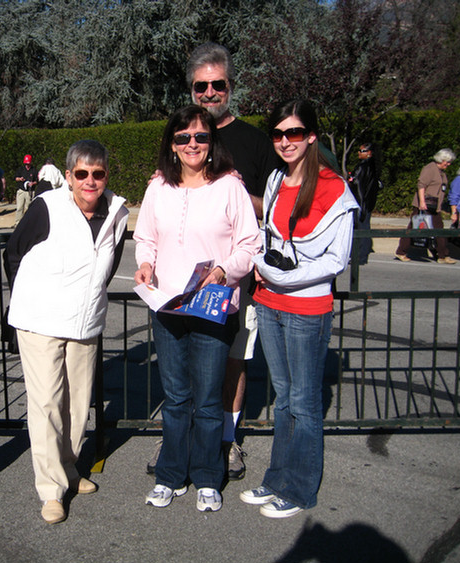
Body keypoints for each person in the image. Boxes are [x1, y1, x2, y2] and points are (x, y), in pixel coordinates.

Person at [148, 42, 281, 480]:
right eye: (201, 86)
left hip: (233, 285)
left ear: (229, 86)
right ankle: (181, 448)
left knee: (233, 363)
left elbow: (273, 208)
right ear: (191, 88)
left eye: (217, 84)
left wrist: (237, 192)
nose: (209, 92)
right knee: (183, 374)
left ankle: (226, 443)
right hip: (180, 295)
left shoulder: (255, 142)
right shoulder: (183, 133)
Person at [134, 105, 260, 513]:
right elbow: (145, 237)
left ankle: (207, 476)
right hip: (168, 306)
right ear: (171, 144)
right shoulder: (158, 188)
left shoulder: (230, 187)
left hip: (211, 307)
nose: (192, 144)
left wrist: (225, 268)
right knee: (175, 397)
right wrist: (146, 262)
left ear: (212, 143)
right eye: (183, 137)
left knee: (207, 399)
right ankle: (171, 475)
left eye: (200, 137)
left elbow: (249, 244)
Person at [240, 99, 358, 519]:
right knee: (284, 396)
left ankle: (300, 489)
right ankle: (276, 479)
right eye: (278, 134)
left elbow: (336, 260)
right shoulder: (275, 180)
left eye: (294, 133)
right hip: (269, 303)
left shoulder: (334, 188)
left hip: (307, 307)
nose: (285, 142)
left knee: (306, 403)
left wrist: (286, 278)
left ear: (310, 136)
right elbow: (267, 237)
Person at [5, 140, 129, 524]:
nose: (90, 181)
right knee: (46, 404)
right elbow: (14, 253)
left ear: (106, 175)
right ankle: (50, 489)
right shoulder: (47, 206)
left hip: (85, 321)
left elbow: (109, 265)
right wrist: (31, 296)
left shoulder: (117, 212)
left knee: (77, 403)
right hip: (41, 321)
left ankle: (70, 470)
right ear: (69, 175)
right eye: (81, 174)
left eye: (98, 173)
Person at [395, 149, 457, 264]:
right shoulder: (430, 169)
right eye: (447, 162)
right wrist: (422, 202)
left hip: (435, 207)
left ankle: (443, 255)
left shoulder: (441, 172)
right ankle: (401, 251)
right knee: (413, 228)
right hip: (425, 205)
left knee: (439, 229)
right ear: (442, 160)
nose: (448, 164)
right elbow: (421, 185)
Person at [348, 142, 382, 264]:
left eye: (362, 151)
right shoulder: (372, 166)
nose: (359, 153)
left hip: (361, 203)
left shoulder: (363, 167)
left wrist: (360, 205)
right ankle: (361, 254)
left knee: (360, 229)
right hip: (367, 203)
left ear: (369, 153)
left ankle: (360, 256)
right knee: (364, 227)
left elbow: (359, 188)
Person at [14, 154, 37, 227]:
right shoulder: (21, 169)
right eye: (26, 163)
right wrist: (20, 179)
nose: (27, 165)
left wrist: (33, 183)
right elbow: (15, 178)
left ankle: (27, 223)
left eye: (28, 163)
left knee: (28, 208)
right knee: (19, 207)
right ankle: (18, 223)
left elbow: (37, 180)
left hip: (30, 191)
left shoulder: (34, 170)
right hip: (22, 190)